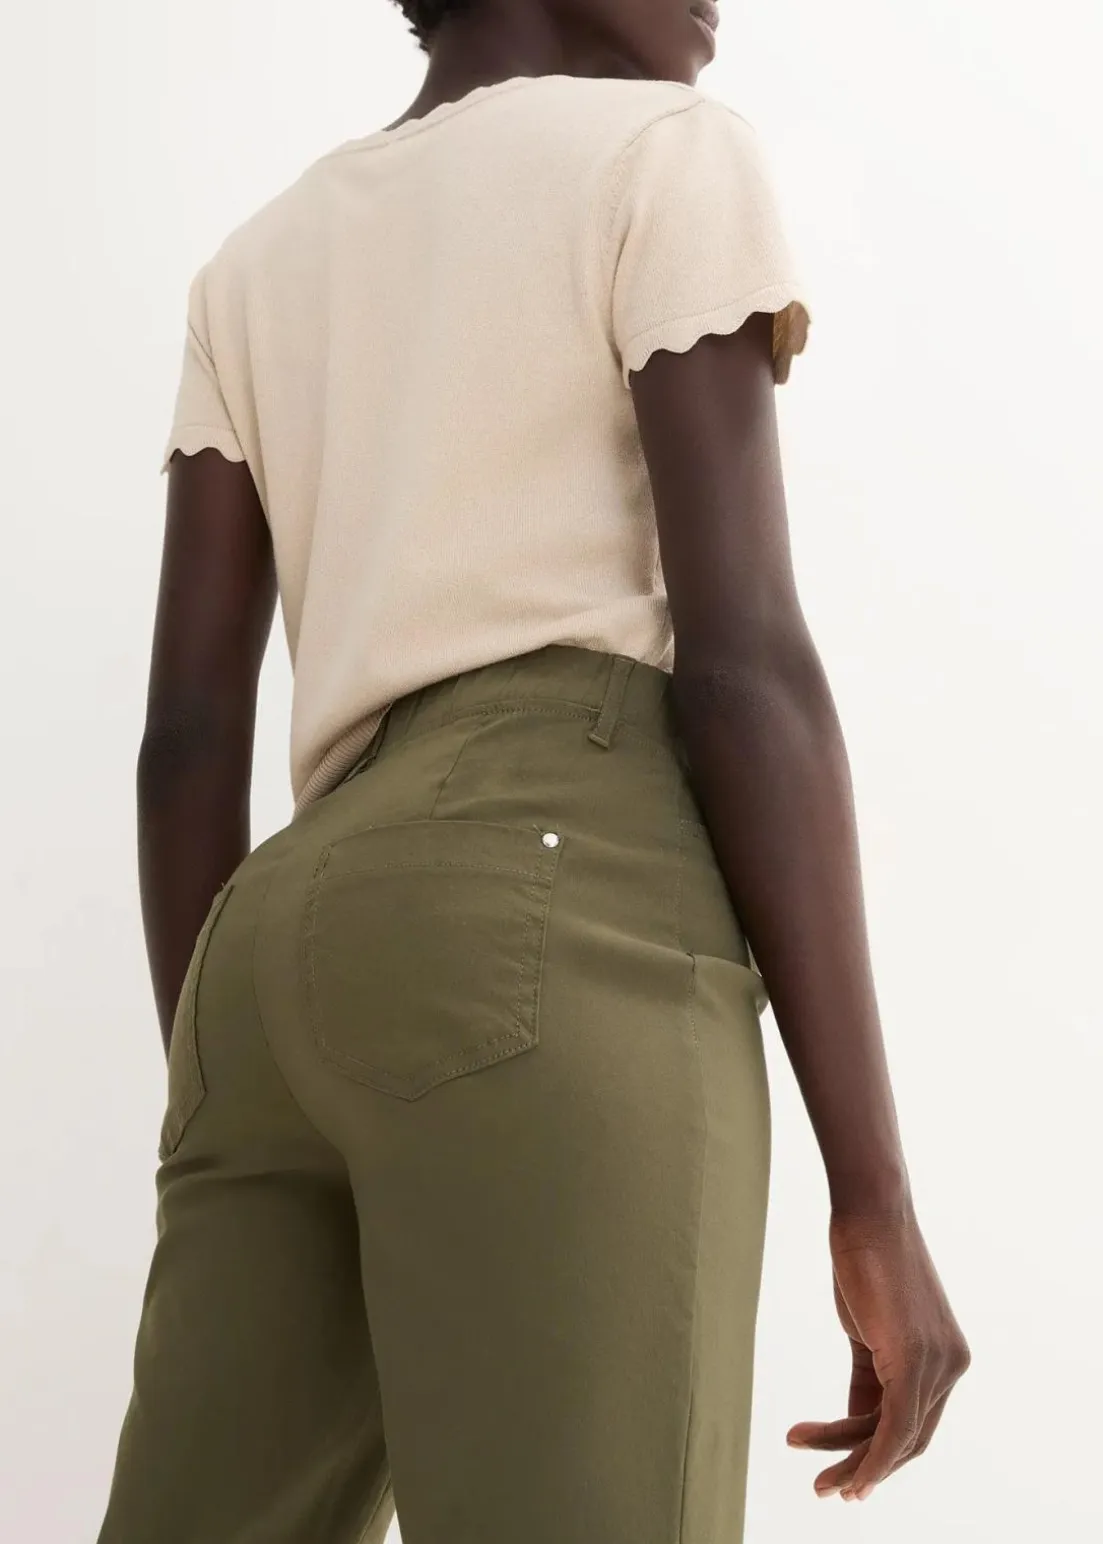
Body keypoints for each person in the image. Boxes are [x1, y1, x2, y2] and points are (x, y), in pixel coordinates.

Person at [97, 2, 970, 1540]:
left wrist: (221, 1094)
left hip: (268, 955)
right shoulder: (661, 155)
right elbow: (746, 664)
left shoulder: (256, 263)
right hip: (547, 888)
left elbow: (184, 744)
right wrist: (873, 1199)